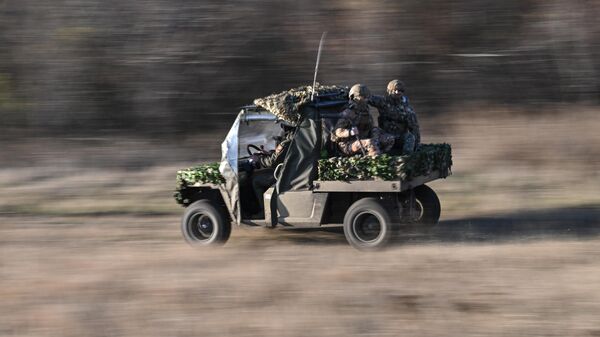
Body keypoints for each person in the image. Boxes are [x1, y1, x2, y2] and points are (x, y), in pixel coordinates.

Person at [331, 84, 394, 157]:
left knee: (389, 139)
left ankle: (377, 154)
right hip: (348, 145)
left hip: (363, 139)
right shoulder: (348, 112)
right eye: (363, 97)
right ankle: (375, 160)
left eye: (367, 97)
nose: (366, 99)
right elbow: (338, 132)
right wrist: (350, 132)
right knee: (369, 143)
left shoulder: (365, 110)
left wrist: (375, 134)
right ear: (354, 97)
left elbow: (370, 127)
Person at [249, 123, 294, 215]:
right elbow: (280, 155)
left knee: (255, 180)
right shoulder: (295, 136)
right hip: (289, 170)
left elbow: (271, 162)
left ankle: (263, 211)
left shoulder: (288, 141)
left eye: (283, 125)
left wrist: (259, 160)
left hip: (285, 173)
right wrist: (270, 153)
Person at [369, 79, 420, 155]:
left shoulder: (407, 109)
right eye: (395, 90)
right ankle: (377, 154)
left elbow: (414, 128)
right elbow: (367, 97)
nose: (397, 92)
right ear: (389, 91)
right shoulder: (383, 101)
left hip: (399, 137)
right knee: (375, 131)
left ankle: (406, 158)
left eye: (400, 91)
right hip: (385, 136)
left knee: (410, 138)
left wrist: (417, 144)